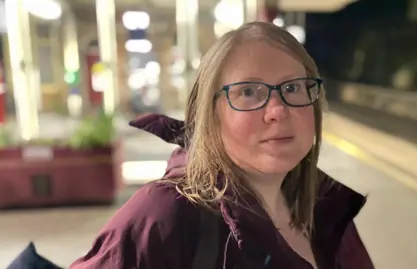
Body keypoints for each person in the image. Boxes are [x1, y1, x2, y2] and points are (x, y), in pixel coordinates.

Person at [70, 21, 374, 269]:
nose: (278, 110)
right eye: (249, 92)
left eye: (293, 87)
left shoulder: (325, 211)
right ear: (210, 115)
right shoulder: (165, 216)